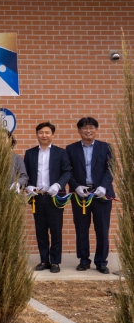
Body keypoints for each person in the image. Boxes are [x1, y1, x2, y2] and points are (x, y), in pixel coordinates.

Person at [66, 117, 115, 274]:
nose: (88, 131)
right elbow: (67, 171)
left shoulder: (106, 147)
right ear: (79, 130)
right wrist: (76, 186)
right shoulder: (71, 149)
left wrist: (103, 187)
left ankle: (101, 262)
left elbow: (111, 169)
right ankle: (83, 260)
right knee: (81, 228)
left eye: (91, 127)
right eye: (84, 128)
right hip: (80, 194)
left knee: (102, 229)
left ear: (96, 129)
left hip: (101, 194)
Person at [24, 121, 72, 274]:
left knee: (56, 230)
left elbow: (67, 172)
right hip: (37, 197)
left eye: (47, 132)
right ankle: (44, 260)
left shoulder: (61, 152)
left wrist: (58, 185)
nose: (44, 135)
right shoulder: (30, 153)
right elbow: (26, 174)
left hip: (55, 197)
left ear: (52, 135)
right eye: (41, 132)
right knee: (41, 230)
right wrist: (28, 186)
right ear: (37, 134)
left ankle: (55, 261)